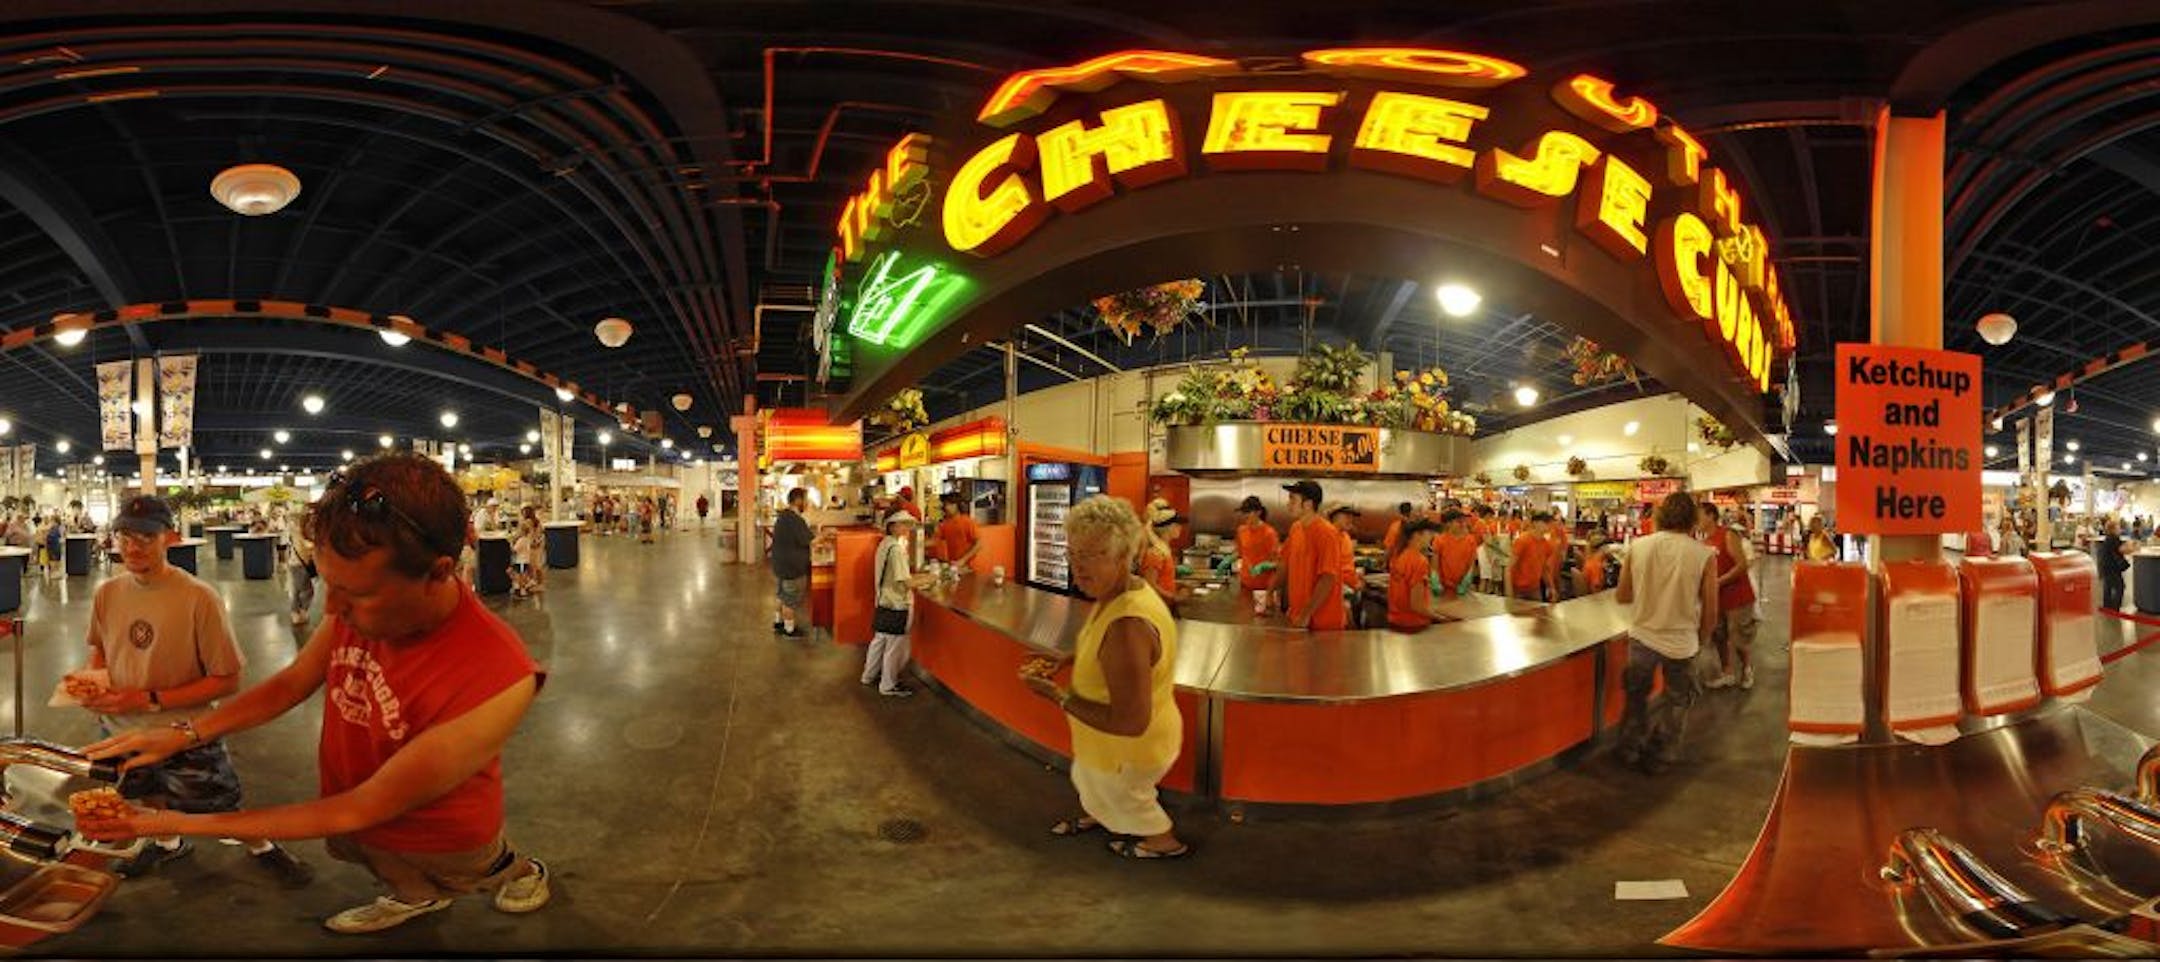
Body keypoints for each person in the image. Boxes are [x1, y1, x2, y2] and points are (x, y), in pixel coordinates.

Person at [81, 454, 551, 934]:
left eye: (355, 594)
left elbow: (363, 805)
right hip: (354, 809)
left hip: (442, 832)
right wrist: (183, 734)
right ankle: (414, 899)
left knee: (474, 869)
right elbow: (293, 682)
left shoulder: (498, 674)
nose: (332, 607)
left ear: (439, 571)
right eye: (330, 585)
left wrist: (167, 824)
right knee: (393, 870)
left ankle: (521, 873)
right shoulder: (359, 605)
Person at [71, 495, 314, 887]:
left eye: (145, 537)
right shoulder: (108, 593)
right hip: (120, 730)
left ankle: (263, 847)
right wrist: (92, 684)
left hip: (186, 730)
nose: (133, 547)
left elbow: (227, 679)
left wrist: (147, 699)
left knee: (218, 807)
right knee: (146, 793)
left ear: (170, 538)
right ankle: (167, 843)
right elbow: (100, 649)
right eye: (125, 536)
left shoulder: (199, 597)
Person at [1020, 495, 1188, 859]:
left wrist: (1056, 695)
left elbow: (1130, 722)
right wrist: (1065, 659)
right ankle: (1105, 815)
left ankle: (1162, 843)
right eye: (1074, 554)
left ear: (1124, 556)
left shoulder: (1128, 626)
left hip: (1128, 750)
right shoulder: (1119, 592)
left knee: (1129, 799)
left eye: (1093, 555)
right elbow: (1102, 650)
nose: (1078, 568)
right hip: (1110, 745)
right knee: (1094, 785)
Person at [1614, 492, 1718, 774]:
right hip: (1682, 642)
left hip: (1642, 637)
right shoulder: (1704, 555)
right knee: (1678, 700)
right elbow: (1711, 609)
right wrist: (1703, 639)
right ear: (1692, 519)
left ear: (1661, 516)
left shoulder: (1638, 546)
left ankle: (1629, 747)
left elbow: (1623, 595)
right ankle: (1660, 754)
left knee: (1637, 696)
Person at [863, 511, 928, 697]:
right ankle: (888, 685)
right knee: (894, 648)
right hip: (897, 604)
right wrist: (931, 578)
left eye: (908, 524)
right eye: (903, 524)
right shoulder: (897, 550)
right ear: (892, 526)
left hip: (883, 601)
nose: (907, 528)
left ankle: (868, 676)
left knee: (879, 641)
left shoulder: (884, 544)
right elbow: (905, 582)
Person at [1697, 501, 1758, 690]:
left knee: (1739, 637)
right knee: (1719, 636)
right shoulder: (1703, 540)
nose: (1696, 519)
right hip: (1717, 598)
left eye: (1699, 515)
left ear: (1711, 515)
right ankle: (1727, 672)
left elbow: (1742, 564)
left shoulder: (1728, 535)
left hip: (1737, 596)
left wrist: (1719, 581)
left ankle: (1747, 670)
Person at [1273, 481, 1344, 631]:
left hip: (1322, 623)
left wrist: (1306, 614)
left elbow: (1328, 578)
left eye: (1293, 499)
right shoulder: (1295, 528)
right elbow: (1284, 563)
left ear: (1308, 504)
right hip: (1299, 617)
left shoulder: (1327, 533)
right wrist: (1270, 592)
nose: (1288, 504)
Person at [770, 488, 814, 637]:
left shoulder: (783, 516)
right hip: (792, 568)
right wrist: (826, 535)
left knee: (781, 595)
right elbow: (809, 541)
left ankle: (778, 622)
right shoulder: (795, 520)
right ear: (798, 500)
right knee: (790, 600)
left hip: (780, 564)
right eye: (806, 500)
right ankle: (789, 630)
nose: (807, 503)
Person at [1387, 519, 1439, 632]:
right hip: (1414, 624)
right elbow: (1417, 606)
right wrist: (1441, 618)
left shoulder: (1399, 554)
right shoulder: (1419, 561)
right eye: (1429, 533)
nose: (1432, 537)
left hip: (1395, 621)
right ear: (1417, 535)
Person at [1135, 501, 1185, 608]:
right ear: (1168, 528)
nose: (1180, 528)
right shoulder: (1155, 554)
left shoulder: (1164, 551)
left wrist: (1178, 585)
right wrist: (1173, 598)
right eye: (1177, 525)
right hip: (1157, 606)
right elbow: (1150, 585)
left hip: (1164, 605)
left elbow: (1163, 579)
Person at [1232, 496, 1279, 598]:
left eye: (1248, 512)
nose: (1245, 516)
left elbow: (1278, 563)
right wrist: (1228, 559)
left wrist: (1264, 566)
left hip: (1263, 588)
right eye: (1243, 512)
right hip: (1245, 584)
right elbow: (1240, 552)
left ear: (1258, 512)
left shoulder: (1269, 533)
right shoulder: (1241, 530)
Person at [1509, 513, 1556, 602]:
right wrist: (1509, 593)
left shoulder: (1546, 545)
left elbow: (1544, 569)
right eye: (1545, 522)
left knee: (1537, 613)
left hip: (1534, 588)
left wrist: (1551, 587)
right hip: (1518, 588)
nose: (1548, 525)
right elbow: (1509, 568)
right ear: (1535, 523)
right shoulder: (1522, 540)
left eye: (1549, 522)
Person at [1433, 510, 1480, 597]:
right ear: (1448, 524)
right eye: (1459, 521)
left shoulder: (1471, 541)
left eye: (1464, 521)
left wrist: (1468, 578)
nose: (1463, 524)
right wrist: (1435, 579)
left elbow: (1472, 563)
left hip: (1463, 586)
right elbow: (1435, 564)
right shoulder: (1439, 540)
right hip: (1443, 587)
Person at [935, 491, 982, 572]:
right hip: (954, 566)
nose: (947, 507)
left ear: (958, 506)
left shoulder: (968, 521)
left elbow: (979, 544)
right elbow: (935, 540)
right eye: (946, 505)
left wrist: (963, 560)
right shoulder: (945, 524)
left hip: (968, 568)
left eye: (951, 504)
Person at [290, 507, 319, 624]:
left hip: (298, 564)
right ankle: (299, 611)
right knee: (306, 591)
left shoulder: (306, 532)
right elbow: (303, 549)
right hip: (299, 564)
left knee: (298, 589)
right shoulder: (298, 532)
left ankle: (297, 612)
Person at [2100, 518, 2130, 610]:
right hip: (2112, 567)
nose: (2120, 529)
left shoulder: (2108, 538)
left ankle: (2107, 606)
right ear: (2113, 529)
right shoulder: (2113, 538)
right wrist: (2133, 547)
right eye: (2118, 527)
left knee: (2108, 586)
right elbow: (2122, 549)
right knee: (2119, 587)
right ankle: (2115, 607)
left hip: (2106, 566)